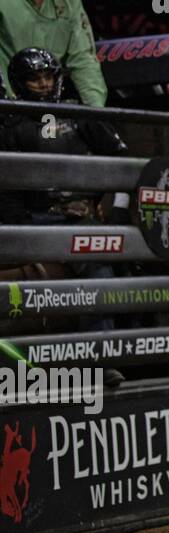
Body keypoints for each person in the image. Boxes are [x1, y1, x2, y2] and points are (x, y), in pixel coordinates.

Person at [0, 48, 128, 335]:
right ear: (21, 83)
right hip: (35, 218)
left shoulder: (78, 114)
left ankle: (101, 350)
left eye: (48, 76)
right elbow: (7, 185)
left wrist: (105, 202)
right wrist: (19, 228)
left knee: (104, 266)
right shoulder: (11, 124)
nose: (44, 84)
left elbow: (121, 161)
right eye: (35, 79)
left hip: (78, 219)